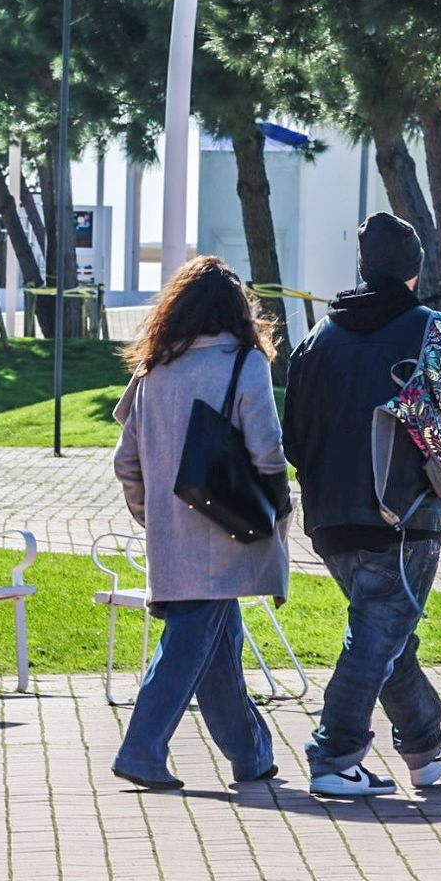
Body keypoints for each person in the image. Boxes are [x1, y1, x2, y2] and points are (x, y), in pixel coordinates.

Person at [285, 212, 441, 796]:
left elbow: (294, 441)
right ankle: (334, 756)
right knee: (377, 632)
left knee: (385, 630)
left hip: (329, 517)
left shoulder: (316, 340)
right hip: (405, 512)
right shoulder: (436, 329)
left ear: (362, 267)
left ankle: (426, 748)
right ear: (414, 270)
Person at [108, 256, 290, 791]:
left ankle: (251, 754)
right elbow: (268, 450)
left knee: (218, 648)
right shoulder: (244, 362)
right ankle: (141, 749)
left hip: (173, 537)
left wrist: (154, 516)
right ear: (238, 308)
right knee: (190, 643)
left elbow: (126, 461)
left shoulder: (153, 369)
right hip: (231, 530)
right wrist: (279, 506)